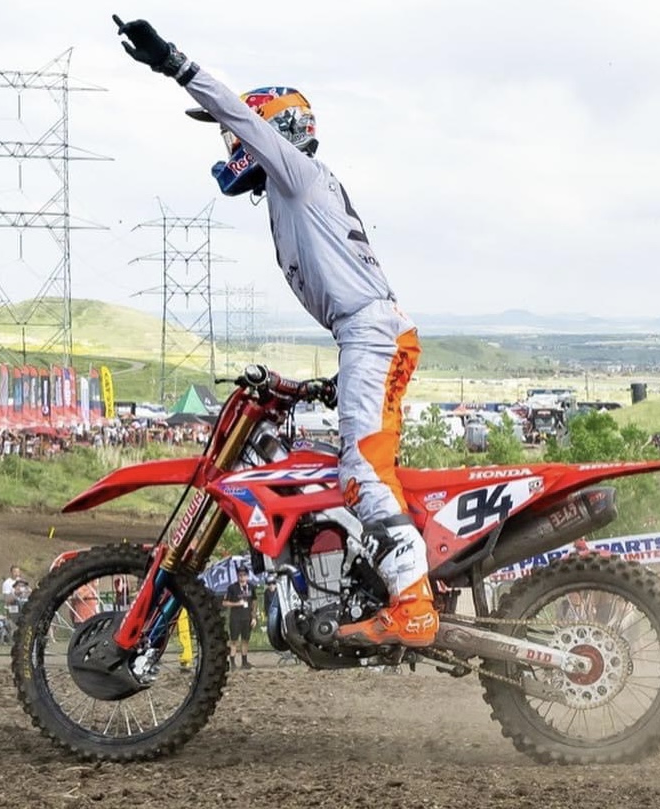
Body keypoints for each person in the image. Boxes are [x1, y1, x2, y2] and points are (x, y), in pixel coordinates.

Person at [114, 16, 436, 647]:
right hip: (366, 335)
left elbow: (238, 117)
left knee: (362, 473)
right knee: (351, 471)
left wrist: (176, 65)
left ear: (276, 132)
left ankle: (415, 605)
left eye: (243, 137)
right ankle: (371, 577)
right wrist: (324, 385)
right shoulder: (296, 197)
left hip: (370, 332)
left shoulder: (297, 173)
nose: (231, 147)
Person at [223, 567, 257, 670]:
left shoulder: (251, 587)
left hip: (247, 618)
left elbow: (254, 601)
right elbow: (225, 602)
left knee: (245, 640)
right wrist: (237, 603)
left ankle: (244, 662)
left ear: (247, 576)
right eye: (240, 575)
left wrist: (254, 616)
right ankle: (232, 662)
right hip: (235, 618)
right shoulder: (232, 588)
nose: (242, 578)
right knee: (234, 641)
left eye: (244, 575)